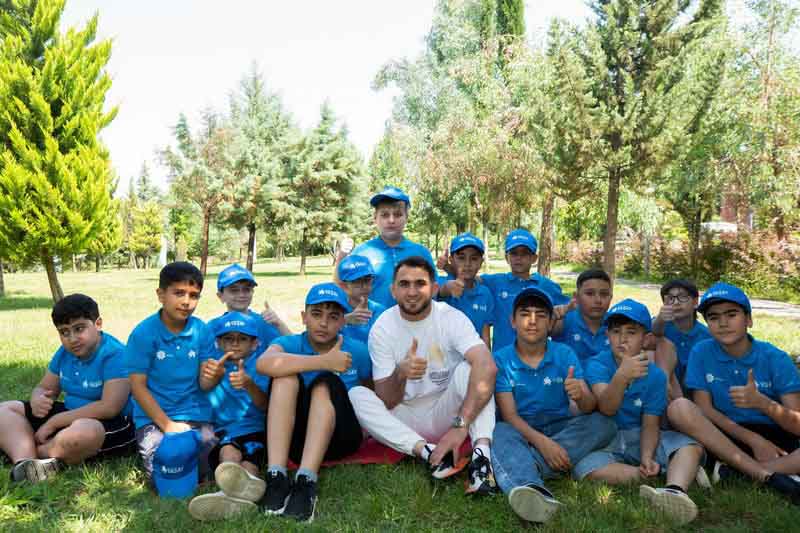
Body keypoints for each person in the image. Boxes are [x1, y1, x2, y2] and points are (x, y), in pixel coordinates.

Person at [349, 256, 498, 496]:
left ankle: (482, 461)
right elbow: (387, 400)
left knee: (474, 370)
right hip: (403, 415)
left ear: (435, 288)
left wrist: (460, 426)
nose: (412, 292)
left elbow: (486, 365)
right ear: (393, 290)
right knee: (357, 395)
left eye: (420, 283)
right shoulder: (383, 328)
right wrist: (400, 373)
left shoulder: (450, 317)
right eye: (404, 284)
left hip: (445, 410)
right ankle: (429, 453)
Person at [573, 299, 705, 525]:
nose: (622, 339)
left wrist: (646, 456)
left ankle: (674, 490)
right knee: (585, 469)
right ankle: (654, 474)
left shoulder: (656, 376)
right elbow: (607, 408)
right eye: (616, 332)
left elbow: (650, 423)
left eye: (631, 332)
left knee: (690, 446)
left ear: (646, 339)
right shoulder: (597, 365)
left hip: (641, 436)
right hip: (609, 439)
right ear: (607, 335)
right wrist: (621, 376)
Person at [667, 282, 800, 503]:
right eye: (714, 317)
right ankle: (766, 474)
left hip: (776, 437)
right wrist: (753, 439)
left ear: (749, 320)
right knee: (679, 407)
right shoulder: (701, 351)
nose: (723, 323)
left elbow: (796, 425)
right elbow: (704, 408)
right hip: (725, 436)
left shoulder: (775, 358)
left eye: (731, 314)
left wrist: (763, 403)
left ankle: (739, 471)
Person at [491, 287, 615, 523]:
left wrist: (580, 395)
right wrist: (544, 444)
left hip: (561, 425)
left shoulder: (564, 353)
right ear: (513, 321)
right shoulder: (501, 359)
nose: (532, 321)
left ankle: (528, 465)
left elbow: (589, 407)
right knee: (498, 431)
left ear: (550, 323)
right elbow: (510, 416)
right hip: (521, 430)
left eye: (541, 315)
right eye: (525, 314)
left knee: (604, 423)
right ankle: (531, 488)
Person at [256, 282, 372, 522]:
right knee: (284, 376)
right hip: (296, 442)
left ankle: (306, 482)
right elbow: (264, 364)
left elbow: (370, 392)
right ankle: (276, 476)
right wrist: (324, 362)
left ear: (343, 322)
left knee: (325, 382)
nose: (324, 323)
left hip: (341, 438)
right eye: (316, 314)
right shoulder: (289, 343)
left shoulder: (357, 350)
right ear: (304, 317)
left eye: (333, 317)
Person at [0, 294, 134, 483]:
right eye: (64, 332)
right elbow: (45, 388)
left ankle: (34, 451)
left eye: (79, 329)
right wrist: (38, 398)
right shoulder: (65, 353)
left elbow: (109, 408)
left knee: (84, 433)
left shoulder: (115, 354)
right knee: (6, 409)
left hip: (110, 423)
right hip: (71, 413)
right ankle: (25, 461)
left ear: (98, 324)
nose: (72, 339)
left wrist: (54, 422)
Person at [125, 262, 218, 491]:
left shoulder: (201, 331)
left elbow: (205, 385)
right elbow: (137, 387)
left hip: (194, 413)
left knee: (207, 464)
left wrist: (215, 375)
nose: (187, 301)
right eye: (179, 293)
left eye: (194, 295)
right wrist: (167, 425)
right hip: (154, 417)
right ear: (161, 295)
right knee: (166, 465)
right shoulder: (144, 333)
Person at [188, 312, 271, 521]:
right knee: (228, 454)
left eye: (242, 339)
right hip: (224, 431)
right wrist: (212, 376)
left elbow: (265, 405)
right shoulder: (213, 366)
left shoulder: (261, 366)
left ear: (254, 343)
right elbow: (201, 388)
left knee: (250, 465)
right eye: (228, 339)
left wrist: (249, 384)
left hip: (256, 429)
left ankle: (232, 496)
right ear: (218, 343)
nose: (235, 344)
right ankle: (233, 496)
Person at [441, 228, 569, 351]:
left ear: (534, 258)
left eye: (524, 253)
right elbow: (470, 276)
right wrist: (449, 267)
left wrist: (558, 318)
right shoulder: (495, 282)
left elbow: (568, 310)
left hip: (535, 355)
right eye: (514, 253)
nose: (519, 258)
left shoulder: (547, 286)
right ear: (507, 257)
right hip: (502, 359)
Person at [335, 186, 435, 308]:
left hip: (414, 319)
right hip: (372, 319)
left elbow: (434, 291)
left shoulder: (421, 253)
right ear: (375, 218)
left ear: (406, 217)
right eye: (384, 215)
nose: (391, 220)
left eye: (398, 214)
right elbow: (341, 287)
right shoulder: (361, 252)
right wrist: (341, 258)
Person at [652, 279, 711, 400]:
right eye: (670, 298)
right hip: (662, 388)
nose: (676, 302)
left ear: (695, 302)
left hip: (694, 393)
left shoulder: (706, 336)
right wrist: (660, 320)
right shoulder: (660, 324)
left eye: (682, 297)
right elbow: (651, 331)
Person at [209, 263, 291, 346]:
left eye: (246, 289)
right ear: (220, 296)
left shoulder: (263, 322)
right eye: (234, 290)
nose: (241, 295)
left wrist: (279, 324)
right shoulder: (213, 326)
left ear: (252, 292)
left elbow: (294, 347)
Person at [437, 233, 494, 347]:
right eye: (461, 258)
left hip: (473, 355)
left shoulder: (485, 293)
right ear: (451, 260)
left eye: (474, 258)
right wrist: (446, 289)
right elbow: (439, 292)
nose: (467, 264)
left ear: (481, 262)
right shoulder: (441, 283)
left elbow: (485, 336)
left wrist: (487, 356)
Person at [551, 269, 613, 361]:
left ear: (611, 297)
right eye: (590, 294)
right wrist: (550, 318)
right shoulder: (563, 320)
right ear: (576, 297)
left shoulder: (617, 324)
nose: (598, 300)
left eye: (604, 294)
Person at [337, 254, 387, 344]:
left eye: (367, 280)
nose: (364, 286)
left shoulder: (381, 311)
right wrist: (345, 321)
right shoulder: (334, 310)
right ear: (344, 285)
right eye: (357, 281)